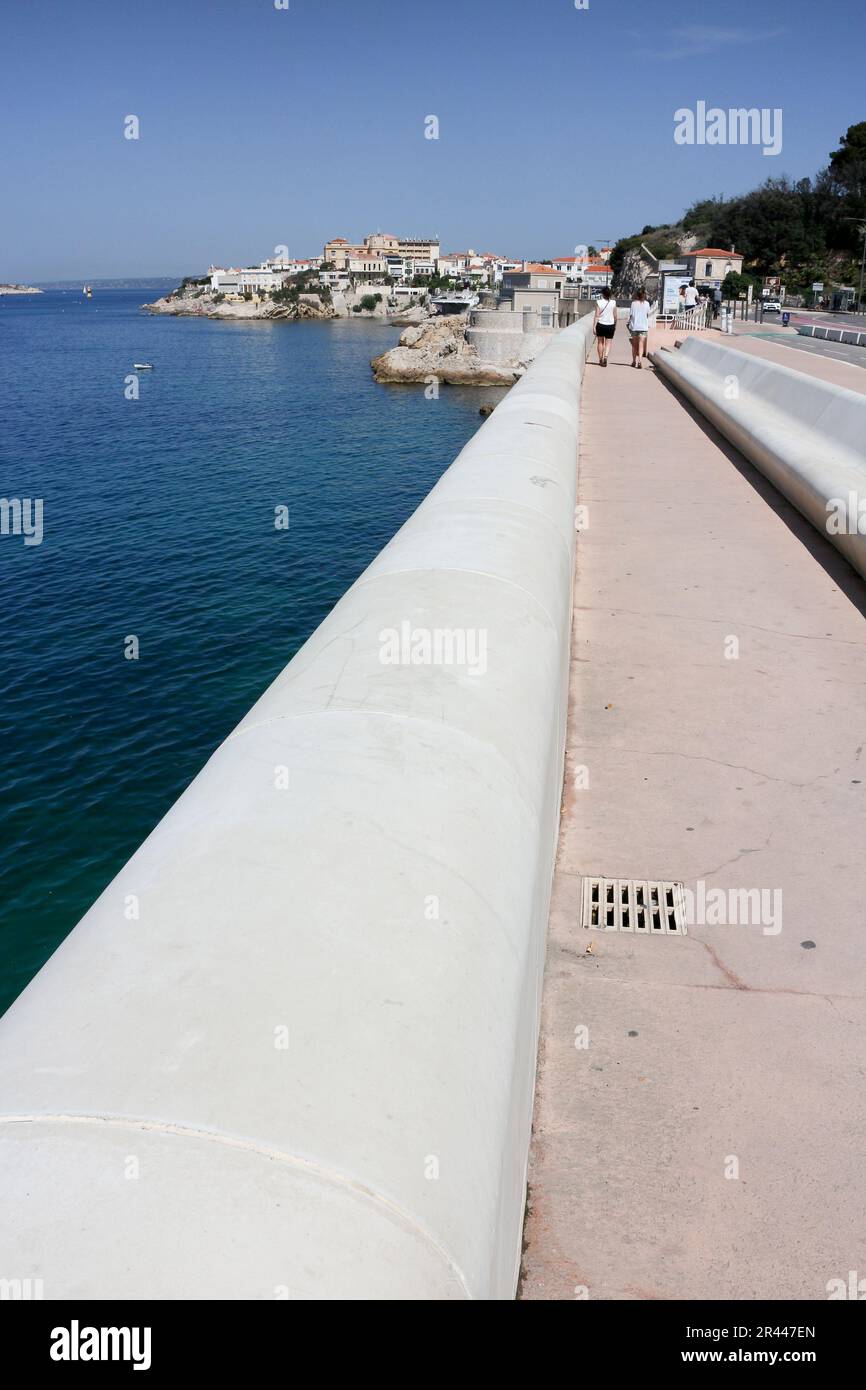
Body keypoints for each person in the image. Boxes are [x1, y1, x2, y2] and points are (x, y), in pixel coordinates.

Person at [627, 287, 651, 367]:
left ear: (637, 295)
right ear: (644, 295)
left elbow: (630, 315)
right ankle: (640, 361)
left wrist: (628, 324)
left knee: (634, 345)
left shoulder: (633, 303)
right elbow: (647, 315)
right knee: (641, 345)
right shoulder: (647, 304)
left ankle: (634, 362)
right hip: (643, 327)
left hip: (634, 326)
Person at [593, 286, 616, 366]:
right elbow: (615, 315)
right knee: (608, 343)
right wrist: (614, 324)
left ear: (602, 294)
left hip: (600, 324)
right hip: (610, 325)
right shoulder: (613, 303)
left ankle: (600, 359)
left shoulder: (598, 302)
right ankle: (605, 357)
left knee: (600, 342)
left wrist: (594, 326)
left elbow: (596, 315)